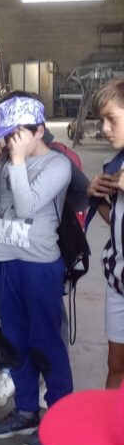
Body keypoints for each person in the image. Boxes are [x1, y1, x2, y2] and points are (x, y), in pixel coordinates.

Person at [0, 94, 74, 445]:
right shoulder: (5, 162)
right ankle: (26, 410)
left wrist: (16, 161)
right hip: (5, 262)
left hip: (39, 266)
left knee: (45, 341)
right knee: (15, 341)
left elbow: (26, 204)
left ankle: (60, 417)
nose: (9, 142)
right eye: (6, 136)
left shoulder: (57, 165)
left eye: (16, 134)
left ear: (39, 131)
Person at [86, 79, 124, 389]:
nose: (105, 128)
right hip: (119, 282)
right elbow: (115, 220)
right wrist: (96, 197)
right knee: (116, 364)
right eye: (102, 120)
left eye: (112, 119)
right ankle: (111, 415)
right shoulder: (113, 165)